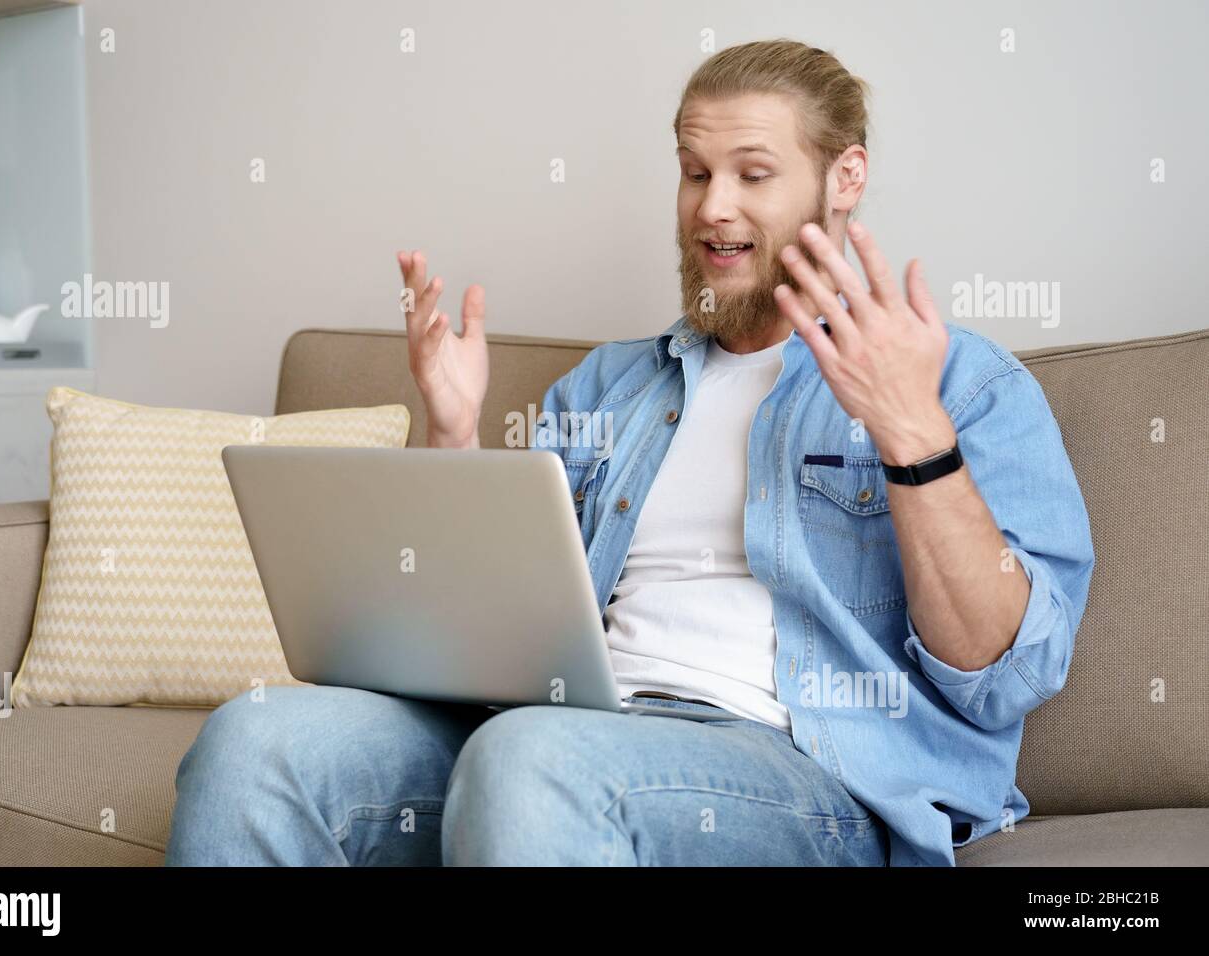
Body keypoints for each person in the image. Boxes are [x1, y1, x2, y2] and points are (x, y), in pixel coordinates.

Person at [166, 38, 1094, 867]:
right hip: (571, 731)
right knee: (256, 743)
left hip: (810, 780)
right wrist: (453, 435)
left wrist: (912, 436)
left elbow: (1009, 672)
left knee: (534, 758)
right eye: (694, 172)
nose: (711, 207)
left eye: (752, 173)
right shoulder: (612, 388)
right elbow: (491, 644)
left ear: (844, 177)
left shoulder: (965, 383)